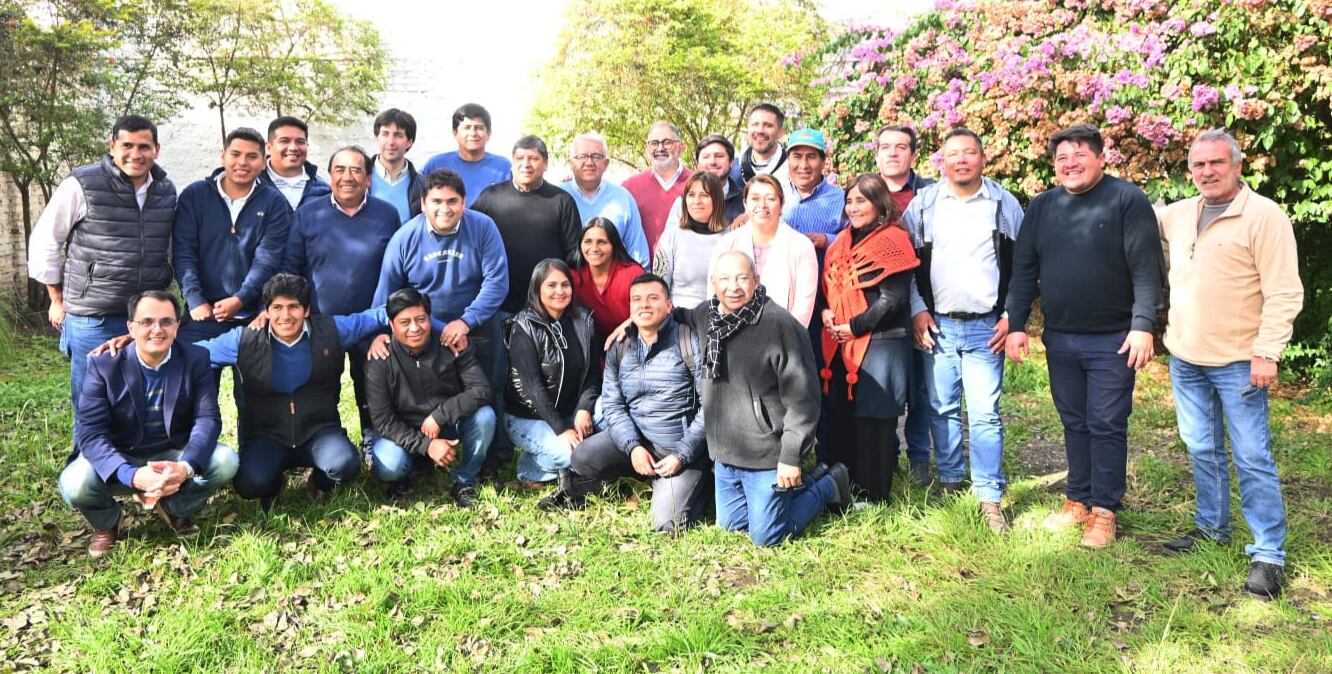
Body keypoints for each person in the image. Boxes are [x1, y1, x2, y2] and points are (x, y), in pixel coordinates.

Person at [1157, 129, 1303, 600]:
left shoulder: (1263, 217)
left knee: (1252, 456)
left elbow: (1284, 290)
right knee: (1201, 447)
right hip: (1186, 356)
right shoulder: (1179, 215)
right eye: (1198, 165)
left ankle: (1268, 554)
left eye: (1217, 163)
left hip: (1240, 361)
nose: (1207, 172)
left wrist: (1268, 351)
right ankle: (1210, 528)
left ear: (1238, 166)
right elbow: (1129, 219)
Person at [1005, 124, 1166, 549]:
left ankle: (1105, 511)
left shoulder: (1125, 200)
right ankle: (1078, 499)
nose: (1070, 164)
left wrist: (1142, 324)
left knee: (1107, 423)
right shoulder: (1042, 207)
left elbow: (1147, 268)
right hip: (1060, 338)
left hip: (1114, 338)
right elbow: (1024, 270)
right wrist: (1017, 324)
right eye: (1061, 159)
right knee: (1074, 420)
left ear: (1100, 157)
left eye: (1079, 155)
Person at [682, 250, 849, 546]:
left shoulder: (779, 325)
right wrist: (631, 323)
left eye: (742, 278)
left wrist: (791, 457)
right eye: (724, 279)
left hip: (766, 454)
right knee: (731, 528)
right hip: (726, 454)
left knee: (767, 537)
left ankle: (827, 486)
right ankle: (798, 489)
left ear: (756, 281)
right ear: (713, 283)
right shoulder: (708, 316)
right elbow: (672, 316)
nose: (733, 287)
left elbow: (804, 399)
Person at [903, 129, 1025, 533]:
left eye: (969, 153)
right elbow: (906, 264)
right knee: (942, 408)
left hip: (987, 327)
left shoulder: (1002, 203)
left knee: (986, 414)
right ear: (942, 160)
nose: (961, 160)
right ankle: (952, 481)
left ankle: (990, 495)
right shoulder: (924, 206)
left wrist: (1012, 317)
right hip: (937, 325)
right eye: (953, 154)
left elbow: (1024, 265)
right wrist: (918, 310)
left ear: (982, 158)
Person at [59, 291, 238, 557]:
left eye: (166, 322)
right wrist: (131, 475)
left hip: (171, 452)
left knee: (226, 461)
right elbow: (91, 434)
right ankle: (107, 522)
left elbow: (207, 420)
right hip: (121, 455)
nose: (157, 329)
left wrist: (185, 467)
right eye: (147, 322)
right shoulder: (103, 364)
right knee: (75, 483)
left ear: (177, 326)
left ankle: (174, 508)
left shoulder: (195, 358)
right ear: (130, 327)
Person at [27, 115, 178, 409]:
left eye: (144, 147)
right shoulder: (83, 184)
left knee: (139, 403)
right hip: (92, 318)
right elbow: (46, 239)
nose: (135, 154)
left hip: (145, 319)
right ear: (112, 146)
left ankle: (131, 457)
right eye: (127, 145)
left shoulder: (165, 190)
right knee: (91, 401)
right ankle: (84, 456)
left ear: (156, 150)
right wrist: (56, 299)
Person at [541, 273, 711, 533]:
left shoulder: (688, 341)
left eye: (653, 298)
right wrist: (632, 447)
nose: (644, 305)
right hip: (637, 440)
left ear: (668, 305)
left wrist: (682, 454)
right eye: (637, 300)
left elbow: (708, 406)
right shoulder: (621, 346)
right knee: (582, 457)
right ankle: (640, 470)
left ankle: (694, 485)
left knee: (666, 524)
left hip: (677, 449)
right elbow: (613, 404)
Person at [472, 136, 583, 477]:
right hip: (500, 306)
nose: (526, 164)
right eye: (520, 157)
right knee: (501, 377)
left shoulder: (560, 201)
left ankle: (542, 437)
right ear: (512, 160)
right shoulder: (491, 198)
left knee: (541, 375)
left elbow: (573, 255)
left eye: (534, 158)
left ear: (545, 163)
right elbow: (470, 235)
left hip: (547, 312)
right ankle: (500, 449)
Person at [282, 146, 402, 448]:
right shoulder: (308, 213)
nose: (347, 177)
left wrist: (387, 325)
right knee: (320, 390)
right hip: (321, 324)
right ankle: (321, 447)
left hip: (372, 325)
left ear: (368, 178)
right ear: (330, 175)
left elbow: (399, 272)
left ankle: (374, 443)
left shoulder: (387, 215)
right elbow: (290, 268)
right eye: (340, 170)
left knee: (371, 388)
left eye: (356, 170)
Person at [821, 174, 919, 501]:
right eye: (849, 200)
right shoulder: (840, 243)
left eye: (862, 200)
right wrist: (826, 312)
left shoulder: (893, 239)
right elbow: (829, 290)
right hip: (841, 344)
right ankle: (841, 489)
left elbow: (893, 299)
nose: (853, 207)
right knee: (843, 419)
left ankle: (873, 496)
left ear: (879, 203)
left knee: (874, 424)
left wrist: (856, 326)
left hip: (882, 342)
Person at [365, 288, 495, 508]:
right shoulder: (380, 357)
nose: (414, 328)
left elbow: (481, 389)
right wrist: (427, 445)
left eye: (421, 319)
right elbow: (382, 421)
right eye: (405, 322)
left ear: (429, 318)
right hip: (402, 431)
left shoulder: (451, 343)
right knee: (390, 464)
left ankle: (465, 480)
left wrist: (440, 415)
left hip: (447, 424)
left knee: (485, 417)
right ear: (391, 323)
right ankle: (405, 474)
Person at [373, 169, 509, 372]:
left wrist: (465, 322)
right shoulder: (403, 239)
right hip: (423, 332)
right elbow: (386, 294)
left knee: (488, 393)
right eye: (436, 201)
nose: (444, 209)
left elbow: (497, 283)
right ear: (423, 204)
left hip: (477, 328)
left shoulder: (484, 228)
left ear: (464, 202)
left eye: (452, 201)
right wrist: (378, 333)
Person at [173, 127, 291, 345]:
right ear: (223, 156)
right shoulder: (195, 195)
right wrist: (195, 299)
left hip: (254, 316)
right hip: (202, 313)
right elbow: (183, 252)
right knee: (195, 376)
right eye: (235, 154)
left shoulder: (274, 202)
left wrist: (241, 299)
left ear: (264, 161)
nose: (242, 162)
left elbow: (267, 259)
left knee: (252, 379)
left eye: (252, 156)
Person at [503, 259, 602, 487]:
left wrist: (583, 410)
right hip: (528, 418)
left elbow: (593, 374)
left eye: (565, 285)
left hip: (571, 412)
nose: (560, 291)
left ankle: (547, 462)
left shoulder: (583, 321)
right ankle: (531, 470)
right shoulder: (523, 326)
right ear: (538, 288)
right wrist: (561, 431)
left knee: (608, 418)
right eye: (551, 285)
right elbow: (533, 389)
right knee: (575, 457)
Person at [877, 124, 937, 487]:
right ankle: (886, 454)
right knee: (885, 389)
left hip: (924, 306)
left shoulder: (931, 194)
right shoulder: (863, 192)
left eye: (901, 147)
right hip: (880, 312)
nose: (893, 153)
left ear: (913, 155)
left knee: (923, 389)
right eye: (886, 147)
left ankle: (919, 459)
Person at [711, 175, 817, 327]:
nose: (762, 205)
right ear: (745, 204)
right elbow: (714, 294)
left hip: (784, 339)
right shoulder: (726, 244)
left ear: (781, 205)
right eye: (755, 198)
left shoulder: (801, 246)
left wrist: (785, 341)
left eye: (770, 199)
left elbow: (803, 307)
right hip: (732, 335)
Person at [560, 132, 650, 266]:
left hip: (617, 284)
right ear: (571, 163)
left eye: (596, 156)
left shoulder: (623, 198)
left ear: (606, 163)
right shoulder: (559, 197)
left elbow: (637, 255)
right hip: (568, 284)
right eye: (582, 156)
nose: (589, 162)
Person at [653, 172, 731, 309]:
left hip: (721, 321)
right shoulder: (671, 236)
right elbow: (658, 286)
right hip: (679, 321)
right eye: (691, 195)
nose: (696, 201)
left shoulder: (731, 238)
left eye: (704, 195)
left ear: (717, 199)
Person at [570, 218, 646, 350]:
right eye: (588, 242)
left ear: (613, 245)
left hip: (630, 346)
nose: (594, 248)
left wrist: (631, 323)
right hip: (589, 352)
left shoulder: (633, 274)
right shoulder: (572, 278)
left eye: (602, 242)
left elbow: (647, 311)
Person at [622, 121, 694, 254]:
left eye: (667, 142)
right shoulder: (629, 187)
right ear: (647, 148)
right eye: (654, 143)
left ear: (681, 148)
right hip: (642, 271)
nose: (660, 148)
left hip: (685, 271)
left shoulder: (698, 184)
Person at [422, 103, 512, 207]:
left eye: (479, 128)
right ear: (455, 133)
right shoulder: (436, 164)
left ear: (489, 134)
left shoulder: (503, 166)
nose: (473, 133)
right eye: (467, 127)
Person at [781, 128, 844, 254]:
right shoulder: (773, 196)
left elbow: (859, 241)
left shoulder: (842, 201)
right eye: (797, 156)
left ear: (823, 162)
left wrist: (828, 240)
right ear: (788, 160)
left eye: (811, 157)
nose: (803, 165)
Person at [663, 134, 746, 227]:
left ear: (731, 162)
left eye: (719, 156)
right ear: (698, 164)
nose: (712, 162)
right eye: (706, 157)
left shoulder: (746, 201)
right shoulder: (684, 203)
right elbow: (669, 239)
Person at [259, 116, 331, 211]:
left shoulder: (324, 191)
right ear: (268, 147)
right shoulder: (253, 187)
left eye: (300, 142)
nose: (293, 148)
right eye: (285, 141)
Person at [369, 108, 425, 223]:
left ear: (409, 141)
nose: (391, 142)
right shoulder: (359, 179)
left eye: (398, 135)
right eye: (385, 134)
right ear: (377, 138)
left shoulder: (423, 186)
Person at [731, 103, 789, 184]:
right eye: (755, 124)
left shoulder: (792, 170)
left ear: (780, 132)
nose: (760, 130)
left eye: (768, 125)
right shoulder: (733, 169)